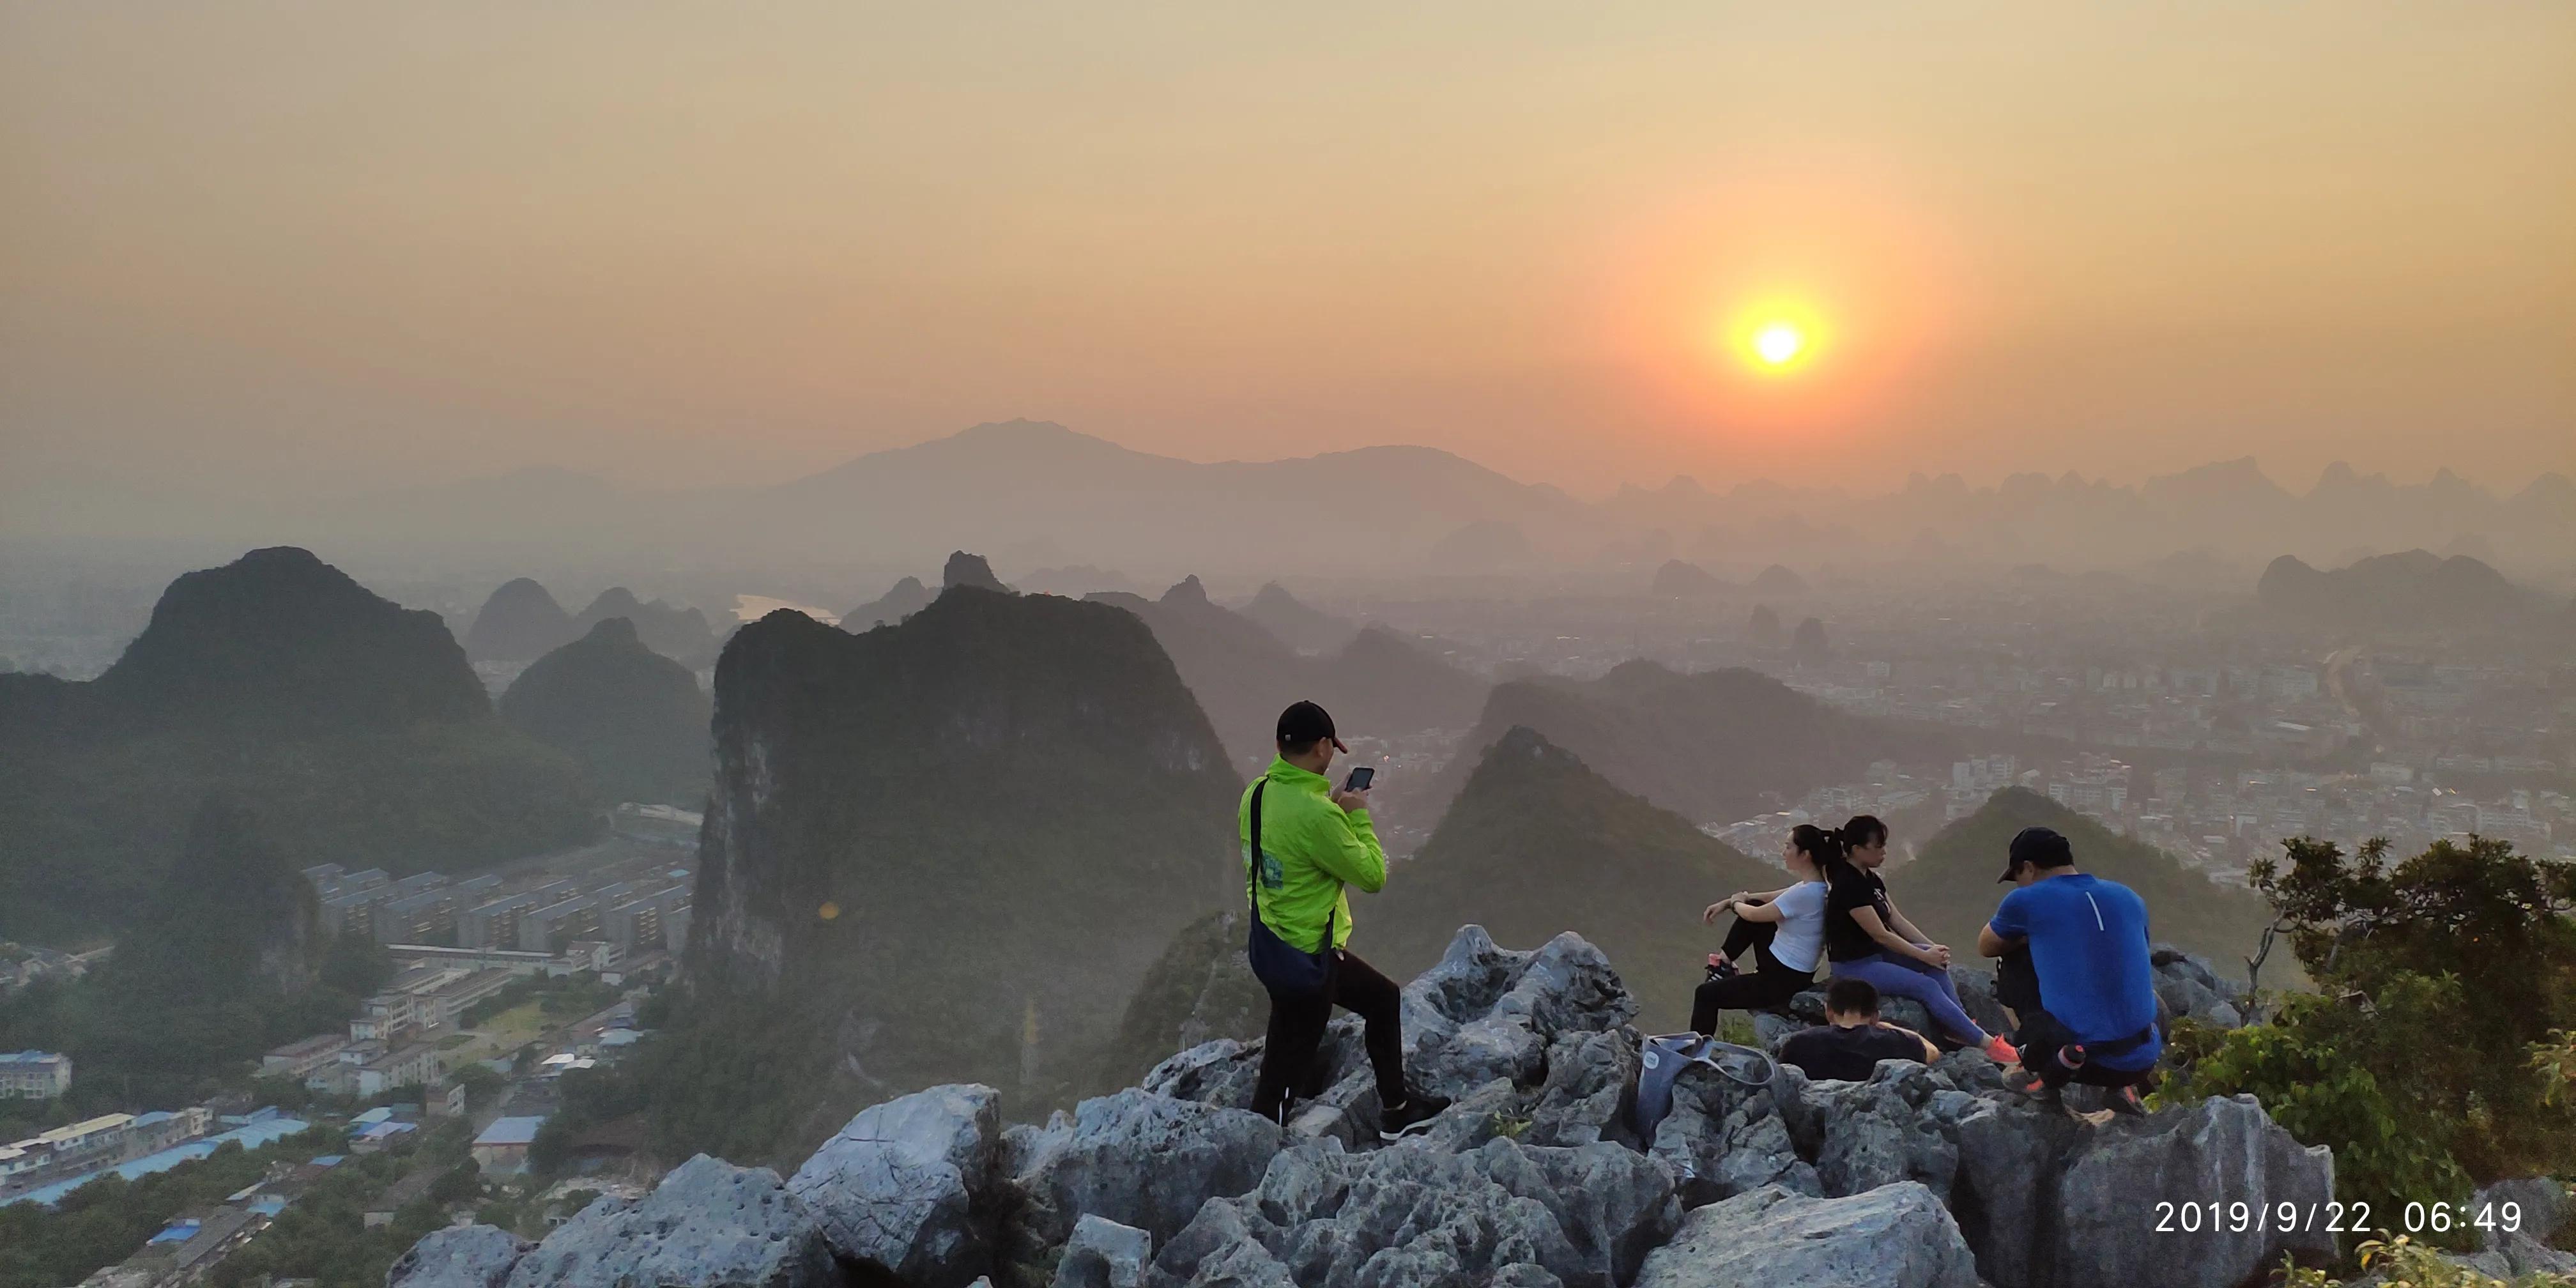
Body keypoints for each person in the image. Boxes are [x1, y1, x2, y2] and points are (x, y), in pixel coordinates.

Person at [1241, 700, 1451, 1138]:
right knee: (1281, 1081)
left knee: (1382, 998)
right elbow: (1373, 875)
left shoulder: (1257, 793)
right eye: (1331, 746)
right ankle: (1259, 1156)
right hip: (1309, 962)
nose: (1332, 753)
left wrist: (1332, 807)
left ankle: (1396, 1107)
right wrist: (1355, 817)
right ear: (1321, 747)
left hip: (1274, 945)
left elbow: (1273, 856)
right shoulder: (1318, 815)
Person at [1979, 825, 2161, 1114]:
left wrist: (2031, 934)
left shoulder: (2025, 900)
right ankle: (2123, 1089)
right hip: (2144, 1057)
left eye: (2017, 878)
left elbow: (1987, 945)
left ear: (2028, 867)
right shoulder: (2129, 897)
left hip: (2079, 1061)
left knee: (2009, 959)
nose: (2018, 886)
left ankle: (2037, 1068)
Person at [1824, 815, 2021, 1063]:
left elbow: (1896, 920)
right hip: (1854, 966)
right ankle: (1988, 1045)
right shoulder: (1847, 884)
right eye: (1878, 847)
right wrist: (1922, 954)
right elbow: (1881, 934)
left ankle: (1957, 1023)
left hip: (1875, 955)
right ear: (1857, 849)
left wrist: (1932, 950)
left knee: (1934, 963)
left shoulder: (1870, 879)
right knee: (1924, 986)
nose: (1884, 852)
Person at [1689, 824, 1834, 1034]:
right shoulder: (1815, 887)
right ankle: (1723, 965)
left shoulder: (1805, 895)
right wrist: (1729, 902)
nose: (1783, 852)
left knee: (1705, 994)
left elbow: (1752, 915)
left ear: (1805, 854)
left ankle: (1697, 1053)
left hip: (1781, 980)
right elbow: (1767, 898)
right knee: (1755, 905)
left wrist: (1736, 903)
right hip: (1789, 969)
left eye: (1788, 847)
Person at [1779, 977, 1940, 1082]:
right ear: (1875, 1016)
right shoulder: (1896, 1041)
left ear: (1828, 1011)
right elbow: (1932, 1052)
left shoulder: (1800, 1042)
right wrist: (1890, 1027)